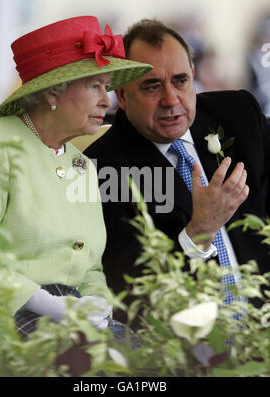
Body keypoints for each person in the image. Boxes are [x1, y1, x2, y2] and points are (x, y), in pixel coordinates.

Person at [0, 16, 152, 338]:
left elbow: (91, 266)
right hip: (4, 316)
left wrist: (97, 303)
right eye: (95, 86)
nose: (106, 101)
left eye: (107, 87)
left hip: (74, 319)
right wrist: (47, 304)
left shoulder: (82, 164)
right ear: (54, 91)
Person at [85, 19, 270, 323]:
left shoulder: (238, 114)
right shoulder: (101, 171)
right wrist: (199, 230)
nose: (171, 100)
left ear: (193, 77)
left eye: (181, 81)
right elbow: (134, 296)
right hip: (186, 345)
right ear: (122, 96)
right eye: (152, 86)